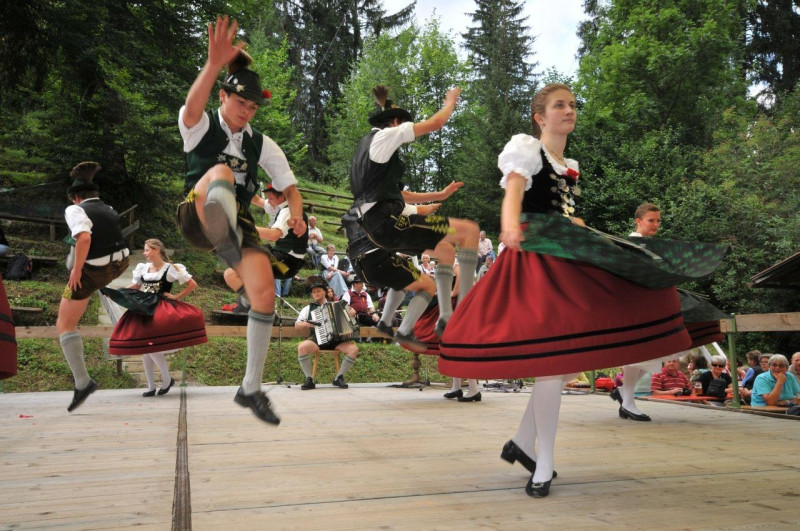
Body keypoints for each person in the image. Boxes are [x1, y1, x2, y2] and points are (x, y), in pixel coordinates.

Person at [439, 83, 726, 498]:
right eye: (560, 105)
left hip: (569, 259)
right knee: (556, 362)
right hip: (538, 261)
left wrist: (583, 230)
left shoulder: (567, 163)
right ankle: (543, 463)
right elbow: (515, 190)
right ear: (540, 117)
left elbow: (564, 213)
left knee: (571, 357)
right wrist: (508, 225)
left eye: (572, 105)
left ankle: (522, 442)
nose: (569, 110)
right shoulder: (526, 148)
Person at [175, 16, 306, 424]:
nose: (246, 112)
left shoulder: (261, 143)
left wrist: (297, 214)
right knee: (223, 175)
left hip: (239, 221)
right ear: (223, 96)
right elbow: (191, 105)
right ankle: (228, 245)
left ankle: (250, 387)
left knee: (264, 287)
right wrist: (214, 62)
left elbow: (289, 185)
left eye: (252, 107)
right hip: (196, 211)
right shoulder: (201, 126)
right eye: (240, 103)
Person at [349, 84, 480, 336]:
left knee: (444, 249)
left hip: (381, 227)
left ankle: (445, 316)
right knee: (469, 230)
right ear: (395, 122)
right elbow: (436, 123)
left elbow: (401, 194)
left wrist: (439, 195)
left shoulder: (367, 151)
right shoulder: (387, 136)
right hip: (389, 223)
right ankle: (463, 313)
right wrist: (451, 101)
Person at [57, 162, 130, 412]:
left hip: (94, 271)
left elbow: (85, 238)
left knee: (64, 324)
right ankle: (81, 278)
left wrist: (76, 271)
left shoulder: (75, 210)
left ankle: (83, 382)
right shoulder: (108, 208)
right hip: (121, 263)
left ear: (76, 198)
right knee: (80, 276)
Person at [102, 239, 204, 396]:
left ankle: (167, 379)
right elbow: (136, 287)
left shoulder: (171, 269)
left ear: (156, 250)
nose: (144, 253)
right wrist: (116, 292)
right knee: (146, 347)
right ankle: (151, 386)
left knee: (151, 345)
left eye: (147, 250)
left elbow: (192, 284)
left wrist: (176, 296)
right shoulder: (143, 268)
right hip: (144, 307)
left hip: (160, 308)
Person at [223, 184, 309, 303]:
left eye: (271, 198)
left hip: (288, 262)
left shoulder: (288, 211)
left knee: (231, 274)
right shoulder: (277, 205)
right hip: (283, 258)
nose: (268, 201)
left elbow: (274, 235)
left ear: (282, 197)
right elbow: (257, 200)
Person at [295, 283, 359, 390]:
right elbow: (297, 325)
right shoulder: (308, 308)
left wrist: (353, 312)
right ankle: (309, 379)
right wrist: (305, 324)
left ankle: (338, 377)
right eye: (314, 292)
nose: (316, 294)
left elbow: (351, 318)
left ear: (325, 292)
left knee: (353, 350)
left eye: (318, 291)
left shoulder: (337, 305)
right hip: (317, 341)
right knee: (302, 347)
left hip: (337, 341)